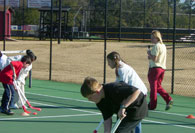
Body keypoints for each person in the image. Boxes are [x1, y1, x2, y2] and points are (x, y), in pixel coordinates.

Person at [80, 77, 148, 133]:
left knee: (119, 132)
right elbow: (107, 119)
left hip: (137, 108)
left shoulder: (113, 88)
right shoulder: (99, 102)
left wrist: (123, 106)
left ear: (97, 92)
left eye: (90, 97)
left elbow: (137, 91)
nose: (89, 100)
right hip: (123, 112)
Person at [107, 51, 148, 133]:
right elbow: (117, 84)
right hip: (137, 92)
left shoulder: (122, 69)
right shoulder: (120, 67)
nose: (108, 64)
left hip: (138, 93)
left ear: (113, 61)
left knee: (134, 116)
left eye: (109, 62)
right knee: (133, 116)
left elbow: (123, 87)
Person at [147, 30, 173, 110]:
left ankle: (152, 105)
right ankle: (168, 99)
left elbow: (154, 59)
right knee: (158, 86)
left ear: (157, 38)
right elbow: (155, 57)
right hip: (162, 69)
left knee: (153, 87)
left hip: (155, 69)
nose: (151, 39)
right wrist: (150, 56)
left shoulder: (156, 46)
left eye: (153, 38)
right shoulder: (163, 46)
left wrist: (149, 53)